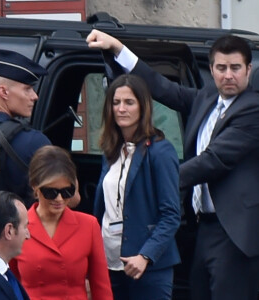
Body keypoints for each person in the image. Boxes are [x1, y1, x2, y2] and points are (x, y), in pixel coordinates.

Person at [87, 30, 259, 300]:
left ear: (248, 69)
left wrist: (149, 180)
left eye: (235, 67)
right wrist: (119, 49)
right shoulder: (208, 98)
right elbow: (163, 87)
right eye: (221, 68)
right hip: (206, 227)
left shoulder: (255, 110)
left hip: (237, 233)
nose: (228, 75)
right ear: (211, 69)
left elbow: (213, 160)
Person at [94, 73, 181, 300]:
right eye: (116, 102)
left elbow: (171, 215)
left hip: (147, 267)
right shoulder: (110, 151)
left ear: (143, 107)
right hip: (109, 262)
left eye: (129, 102)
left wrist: (145, 255)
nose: (121, 108)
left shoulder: (161, 152)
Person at [10, 145, 113, 300]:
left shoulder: (88, 225)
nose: (59, 199)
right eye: (50, 192)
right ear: (35, 187)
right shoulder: (17, 226)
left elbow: (101, 288)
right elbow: (11, 282)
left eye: (67, 192)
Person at [0, 49, 51, 209]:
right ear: (3, 92)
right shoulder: (34, 142)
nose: (34, 96)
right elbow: (67, 197)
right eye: (27, 89)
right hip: (20, 233)